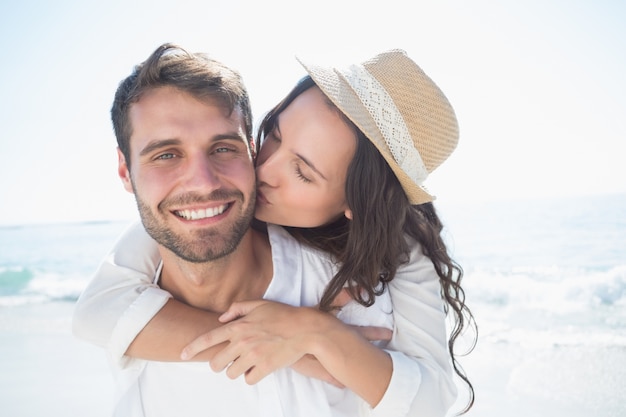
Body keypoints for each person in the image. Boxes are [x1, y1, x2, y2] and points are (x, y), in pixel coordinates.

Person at [73, 44, 475, 416]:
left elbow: (433, 399)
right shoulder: (196, 215)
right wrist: (275, 343)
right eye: (275, 136)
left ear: (358, 203)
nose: (262, 171)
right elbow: (96, 311)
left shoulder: (396, 253)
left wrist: (316, 332)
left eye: (302, 172)